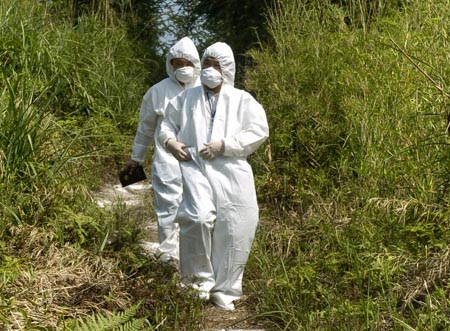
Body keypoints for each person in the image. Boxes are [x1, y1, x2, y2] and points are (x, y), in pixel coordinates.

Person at [159, 42, 269, 310]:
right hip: (195, 166)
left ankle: (226, 289)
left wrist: (225, 145)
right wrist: (170, 143)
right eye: (206, 64)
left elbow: (258, 131)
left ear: (227, 69)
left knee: (236, 226)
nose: (210, 70)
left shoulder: (243, 100)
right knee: (196, 218)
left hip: (231, 170)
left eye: (216, 66)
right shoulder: (185, 98)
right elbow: (166, 126)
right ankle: (197, 283)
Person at [124, 36, 201, 263]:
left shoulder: (206, 90)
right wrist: (135, 158)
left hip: (198, 160)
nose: (183, 67)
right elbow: (146, 128)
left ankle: (194, 257)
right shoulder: (157, 92)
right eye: (177, 62)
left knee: (198, 209)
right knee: (167, 208)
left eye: (187, 63)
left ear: (196, 64)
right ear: (170, 64)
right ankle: (168, 257)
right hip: (166, 160)